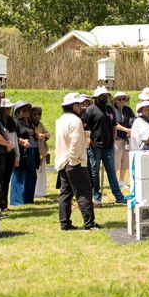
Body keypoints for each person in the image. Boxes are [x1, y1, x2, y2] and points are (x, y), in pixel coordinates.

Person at [54, 92, 100, 231]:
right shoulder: (75, 120)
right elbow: (74, 142)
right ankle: (89, 224)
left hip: (62, 161)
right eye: (79, 104)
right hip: (74, 162)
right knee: (84, 192)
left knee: (65, 194)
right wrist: (74, 160)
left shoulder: (61, 119)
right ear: (74, 106)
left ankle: (64, 223)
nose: (81, 107)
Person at [84, 86, 127, 206]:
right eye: (102, 96)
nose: (104, 98)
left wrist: (113, 139)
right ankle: (96, 197)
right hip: (95, 146)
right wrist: (90, 141)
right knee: (94, 172)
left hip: (108, 146)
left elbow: (114, 125)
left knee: (111, 172)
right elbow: (84, 127)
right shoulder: (90, 110)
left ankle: (119, 197)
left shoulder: (109, 109)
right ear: (96, 97)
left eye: (106, 96)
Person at [10, 101, 39, 205]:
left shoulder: (29, 122)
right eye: (24, 110)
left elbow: (32, 137)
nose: (27, 112)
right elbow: (10, 137)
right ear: (18, 112)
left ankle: (28, 199)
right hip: (20, 152)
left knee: (32, 176)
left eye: (28, 110)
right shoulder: (14, 122)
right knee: (19, 176)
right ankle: (17, 201)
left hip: (31, 152)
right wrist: (21, 141)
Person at [112, 92, 135, 189]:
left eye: (123, 99)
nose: (121, 101)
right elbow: (114, 124)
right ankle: (114, 181)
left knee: (125, 161)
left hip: (127, 139)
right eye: (119, 99)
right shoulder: (112, 110)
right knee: (116, 161)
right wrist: (126, 129)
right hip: (116, 139)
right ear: (115, 100)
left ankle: (121, 181)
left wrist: (131, 130)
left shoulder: (128, 110)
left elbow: (134, 120)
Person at [30, 105, 50, 198]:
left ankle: (41, 191)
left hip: (42, 151)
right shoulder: (29, 124)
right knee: (34, 172)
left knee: (42, 173)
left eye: (39, 114)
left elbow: (48, 134)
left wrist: (42, 135)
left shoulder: (40, 124)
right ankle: (34, 191)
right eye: (35, 114)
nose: (37, 116)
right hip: (33, 152)